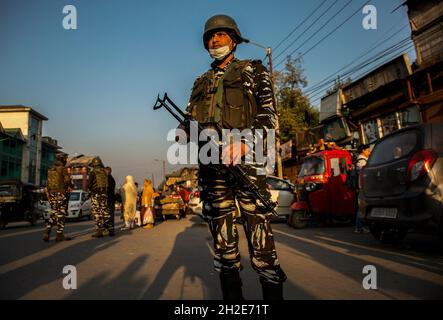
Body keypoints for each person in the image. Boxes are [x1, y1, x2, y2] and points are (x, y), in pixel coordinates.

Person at [180, 15, 287, 300]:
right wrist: (185, 131)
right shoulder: (200, 82)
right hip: (212, 171)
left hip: (247, 168)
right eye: (209, 37)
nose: (213, 41)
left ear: (234, 40)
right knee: (225, 252)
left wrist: (243, 142)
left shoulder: (254, 71)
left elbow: (269, 116)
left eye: (220, 35)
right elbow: (190, 121)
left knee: (262, 249)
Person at [43, 154, 73, 242]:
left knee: (53, 213)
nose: (66, 160)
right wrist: (69, 186)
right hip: (61, 193)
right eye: (65, 158)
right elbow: (67, 181)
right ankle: (59, 235)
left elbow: (47, 183)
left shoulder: (50, 169)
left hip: (52, 193)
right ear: (62, 159)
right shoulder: (63, 169)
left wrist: (48, 194)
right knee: (61, 214)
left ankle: (47, 231)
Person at [87, 157, 111, 238]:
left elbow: (89, 185)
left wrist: (89, 190)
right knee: (104, 211)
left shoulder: (93, 172)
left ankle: (99, 231)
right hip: (104, 194)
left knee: (97, 213)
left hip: (96, 194)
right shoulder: (104, 172)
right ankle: (108, 228)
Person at [354, 144, 371, 234]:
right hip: (363, 187)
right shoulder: (361, 161)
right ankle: (359, 227)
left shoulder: (362, 160)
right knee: (361, 207)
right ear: (363, 151)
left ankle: (360, 226)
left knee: (362, 207)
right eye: (368, 150)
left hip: (363, 187)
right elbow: (365, 175)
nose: (369, 152)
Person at [105, 166, 116, 236]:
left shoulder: (108, 179)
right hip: (111, 199)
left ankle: (109, 230)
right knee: (110, 215)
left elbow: (107, 189)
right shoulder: (112, 179)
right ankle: (110, 229)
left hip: (108, 199)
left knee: (108, 215)